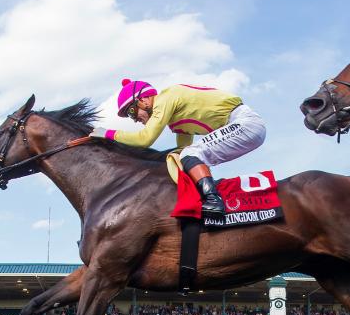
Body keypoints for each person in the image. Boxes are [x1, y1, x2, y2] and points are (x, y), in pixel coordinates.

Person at [89, 79, 267, 218]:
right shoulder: (175, 121)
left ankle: (213, 200)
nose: (134, 120)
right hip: (242, 125)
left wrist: (108, 134)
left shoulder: (165, 99)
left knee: (191, 153)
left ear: (143, 100)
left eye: (131, 112)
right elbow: (183, 151)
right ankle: (206, 196)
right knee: (185, 156)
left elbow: (145, 139)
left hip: (245, 122)